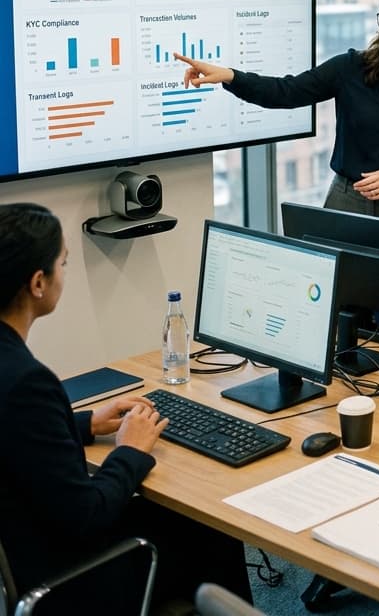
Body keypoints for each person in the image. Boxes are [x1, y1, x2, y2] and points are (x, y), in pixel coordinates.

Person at [0, 203, 252, 611]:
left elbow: (19, 436)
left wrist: (85, 424)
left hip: (24, 551)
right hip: (70, 580)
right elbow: (87, 515)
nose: (66, 274)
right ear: (38, 283)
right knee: (210, 528)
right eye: (63, 264)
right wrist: (130, 451)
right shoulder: (27, 382)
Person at [176, 0, 379, 271]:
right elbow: (286, 91)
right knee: (336, 305)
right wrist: (229, 76)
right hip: (346, 204)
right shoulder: (350, 68)